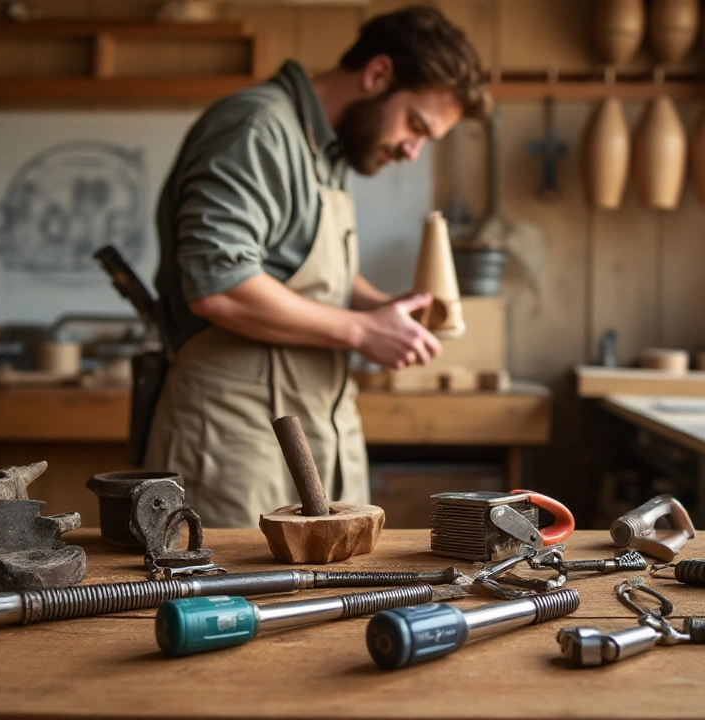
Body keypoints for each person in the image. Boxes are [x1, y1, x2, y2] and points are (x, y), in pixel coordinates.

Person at [145, 6, 491, 527]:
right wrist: (361, 330)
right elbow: (220, 286)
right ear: (377, 75)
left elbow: (304, 267)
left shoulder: (327, 149)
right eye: (415, 125)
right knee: (227, 600)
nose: (412, 151)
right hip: (235, 437)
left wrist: (380, 307)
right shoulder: (257, 129)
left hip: (317, 431)